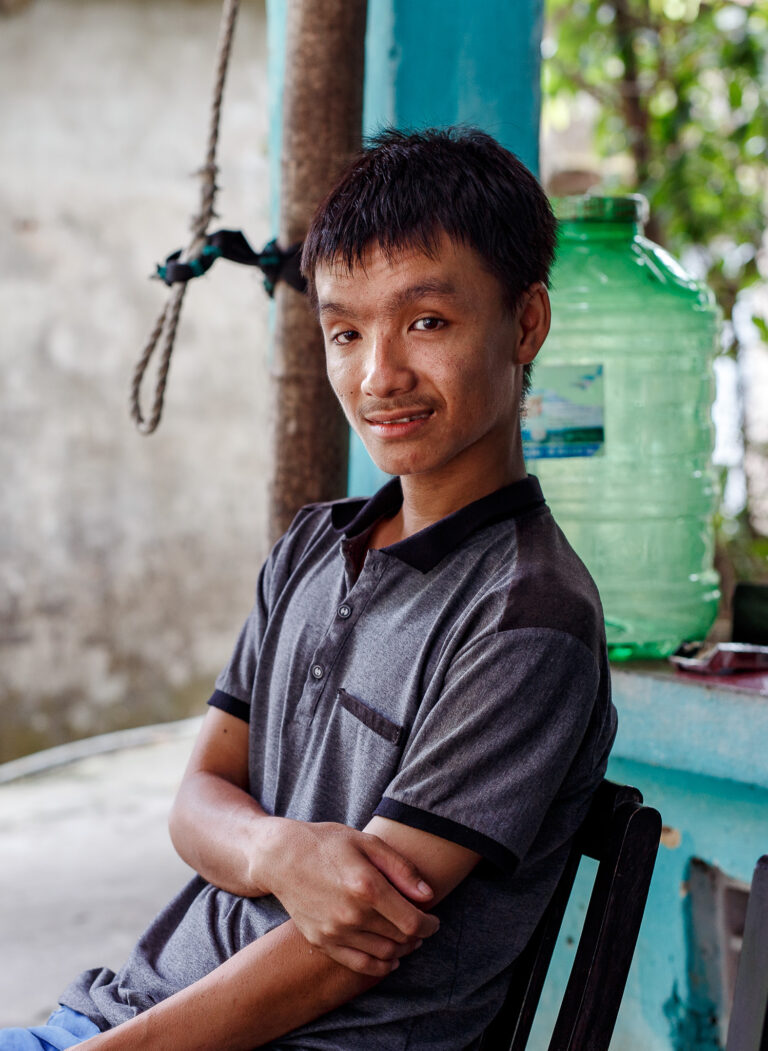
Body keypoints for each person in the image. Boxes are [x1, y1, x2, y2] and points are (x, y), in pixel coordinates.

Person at [3, 127, 616, 1051]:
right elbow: (197, 795)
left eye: (426, 322)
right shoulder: (312, 545)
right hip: (127, 1011)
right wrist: (276, 849)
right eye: (345, 331)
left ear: (525, 323)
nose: (379, 377)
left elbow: (344, 949)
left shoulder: (527, 618)